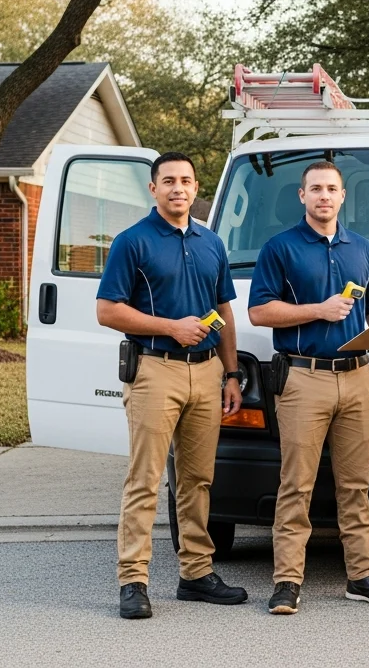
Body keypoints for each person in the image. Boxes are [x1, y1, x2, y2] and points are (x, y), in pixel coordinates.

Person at [248, 160, 369, 615]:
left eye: (332, 189)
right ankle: (287, 581)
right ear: (302, 196)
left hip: (358, 378)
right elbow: (259, 313)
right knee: (296, 485)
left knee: (356, 485)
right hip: (303, 378)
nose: (324, 196)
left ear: (343, 197)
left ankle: (363, 578)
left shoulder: (361, 249)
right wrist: (316, 310)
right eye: (316, 189)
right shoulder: (279, 248)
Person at [97, 151, 249, 620]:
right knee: (144, 480)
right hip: (155, 368)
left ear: (196, 187)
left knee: (198, 479)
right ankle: (133, 581)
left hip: (207, 372)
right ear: (153, 189)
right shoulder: (132, 242)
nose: (177, 188)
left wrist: (231, 373)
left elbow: (224, 313)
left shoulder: (212, 243)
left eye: (185, 180)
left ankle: (196, 574)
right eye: (168, 181)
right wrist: (170, 327)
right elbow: (108, 310)